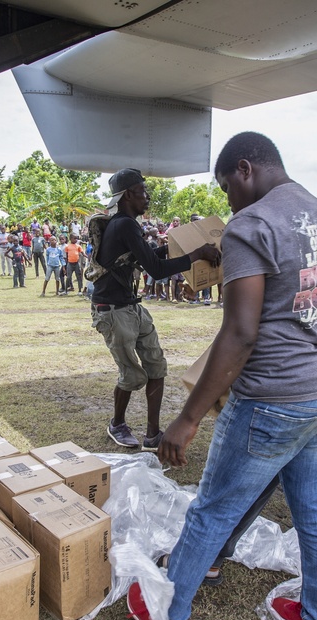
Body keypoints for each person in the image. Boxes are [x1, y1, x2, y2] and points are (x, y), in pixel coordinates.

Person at [126, 133, 317, 620]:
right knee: (310, 509)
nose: (228, 203)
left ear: (245, 169)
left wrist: (188, 418)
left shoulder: (253, 224)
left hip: (272, 398)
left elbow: (240, 332)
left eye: (226, 188)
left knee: (211, 510)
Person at [90, 168, 220, 451]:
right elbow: (156, 269)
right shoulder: (123, 225)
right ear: (127, 195)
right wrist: (196, 254)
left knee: (156, 368)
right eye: (142, 192)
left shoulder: (125, 224)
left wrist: (184, 247)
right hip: (113, 311)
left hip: (131, 308)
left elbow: (149, 257)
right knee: (133, 376)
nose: (147, 197)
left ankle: (153, 435)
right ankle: (117, 424)